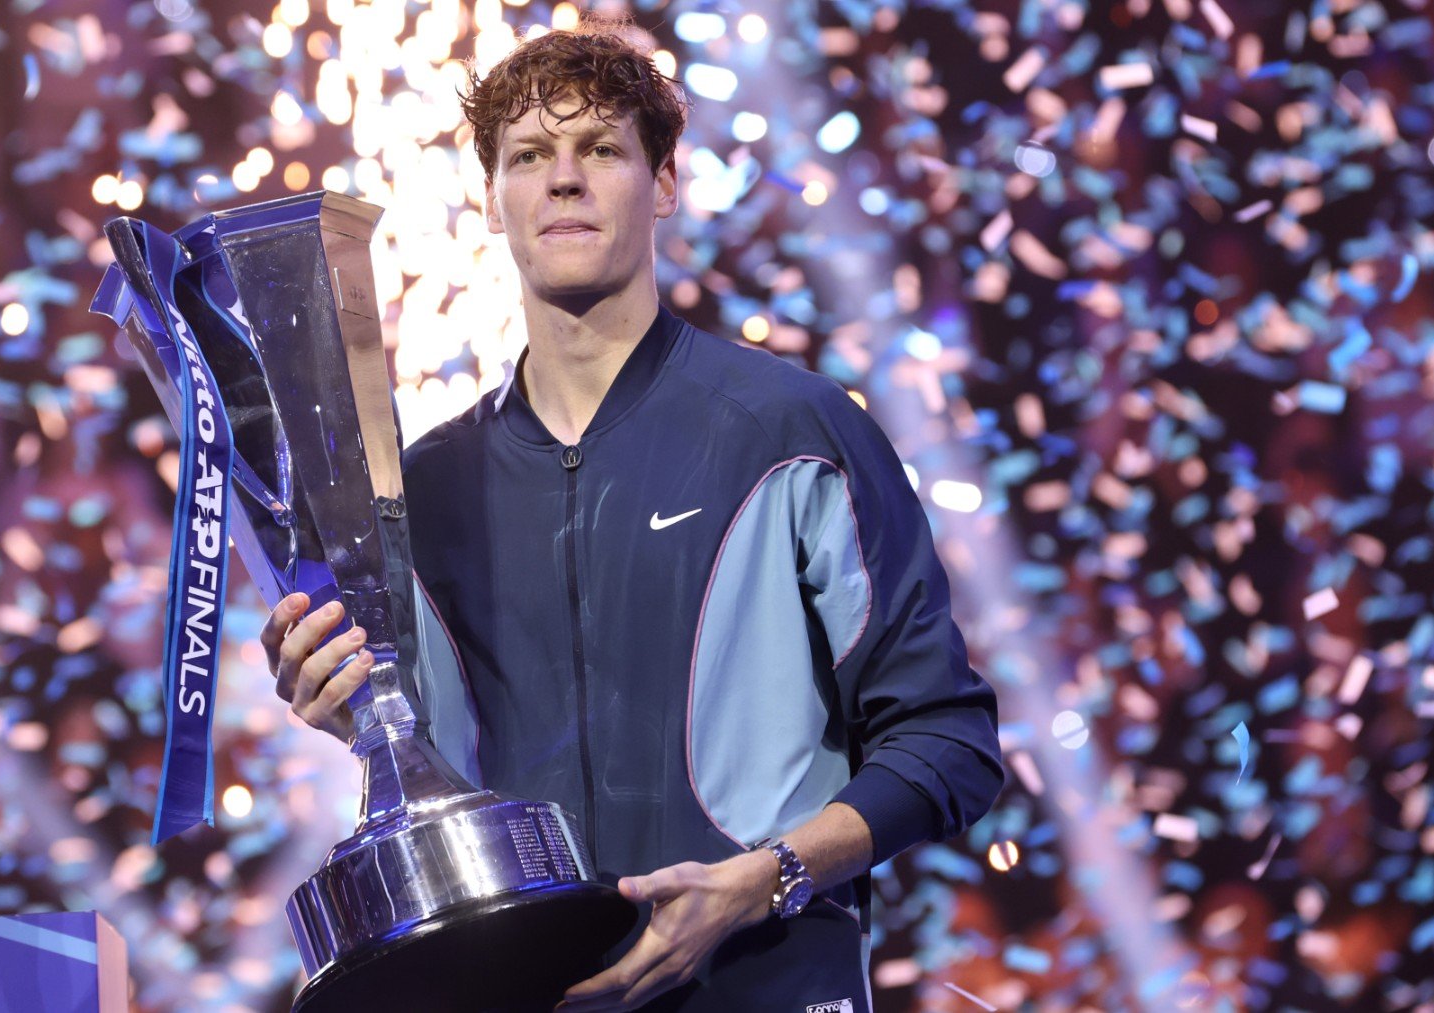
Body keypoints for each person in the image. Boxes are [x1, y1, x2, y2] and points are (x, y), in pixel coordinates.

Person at [261, 16, 1004, 1012]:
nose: (563, 179)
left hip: (767, 984)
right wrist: (353, 706)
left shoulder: (793, 430)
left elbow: (948, 742)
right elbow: (430, 762)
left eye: (600, 148)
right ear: (493, 198)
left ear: (663, 184)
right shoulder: (420, 492)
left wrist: (767, 876)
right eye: (529, 155)